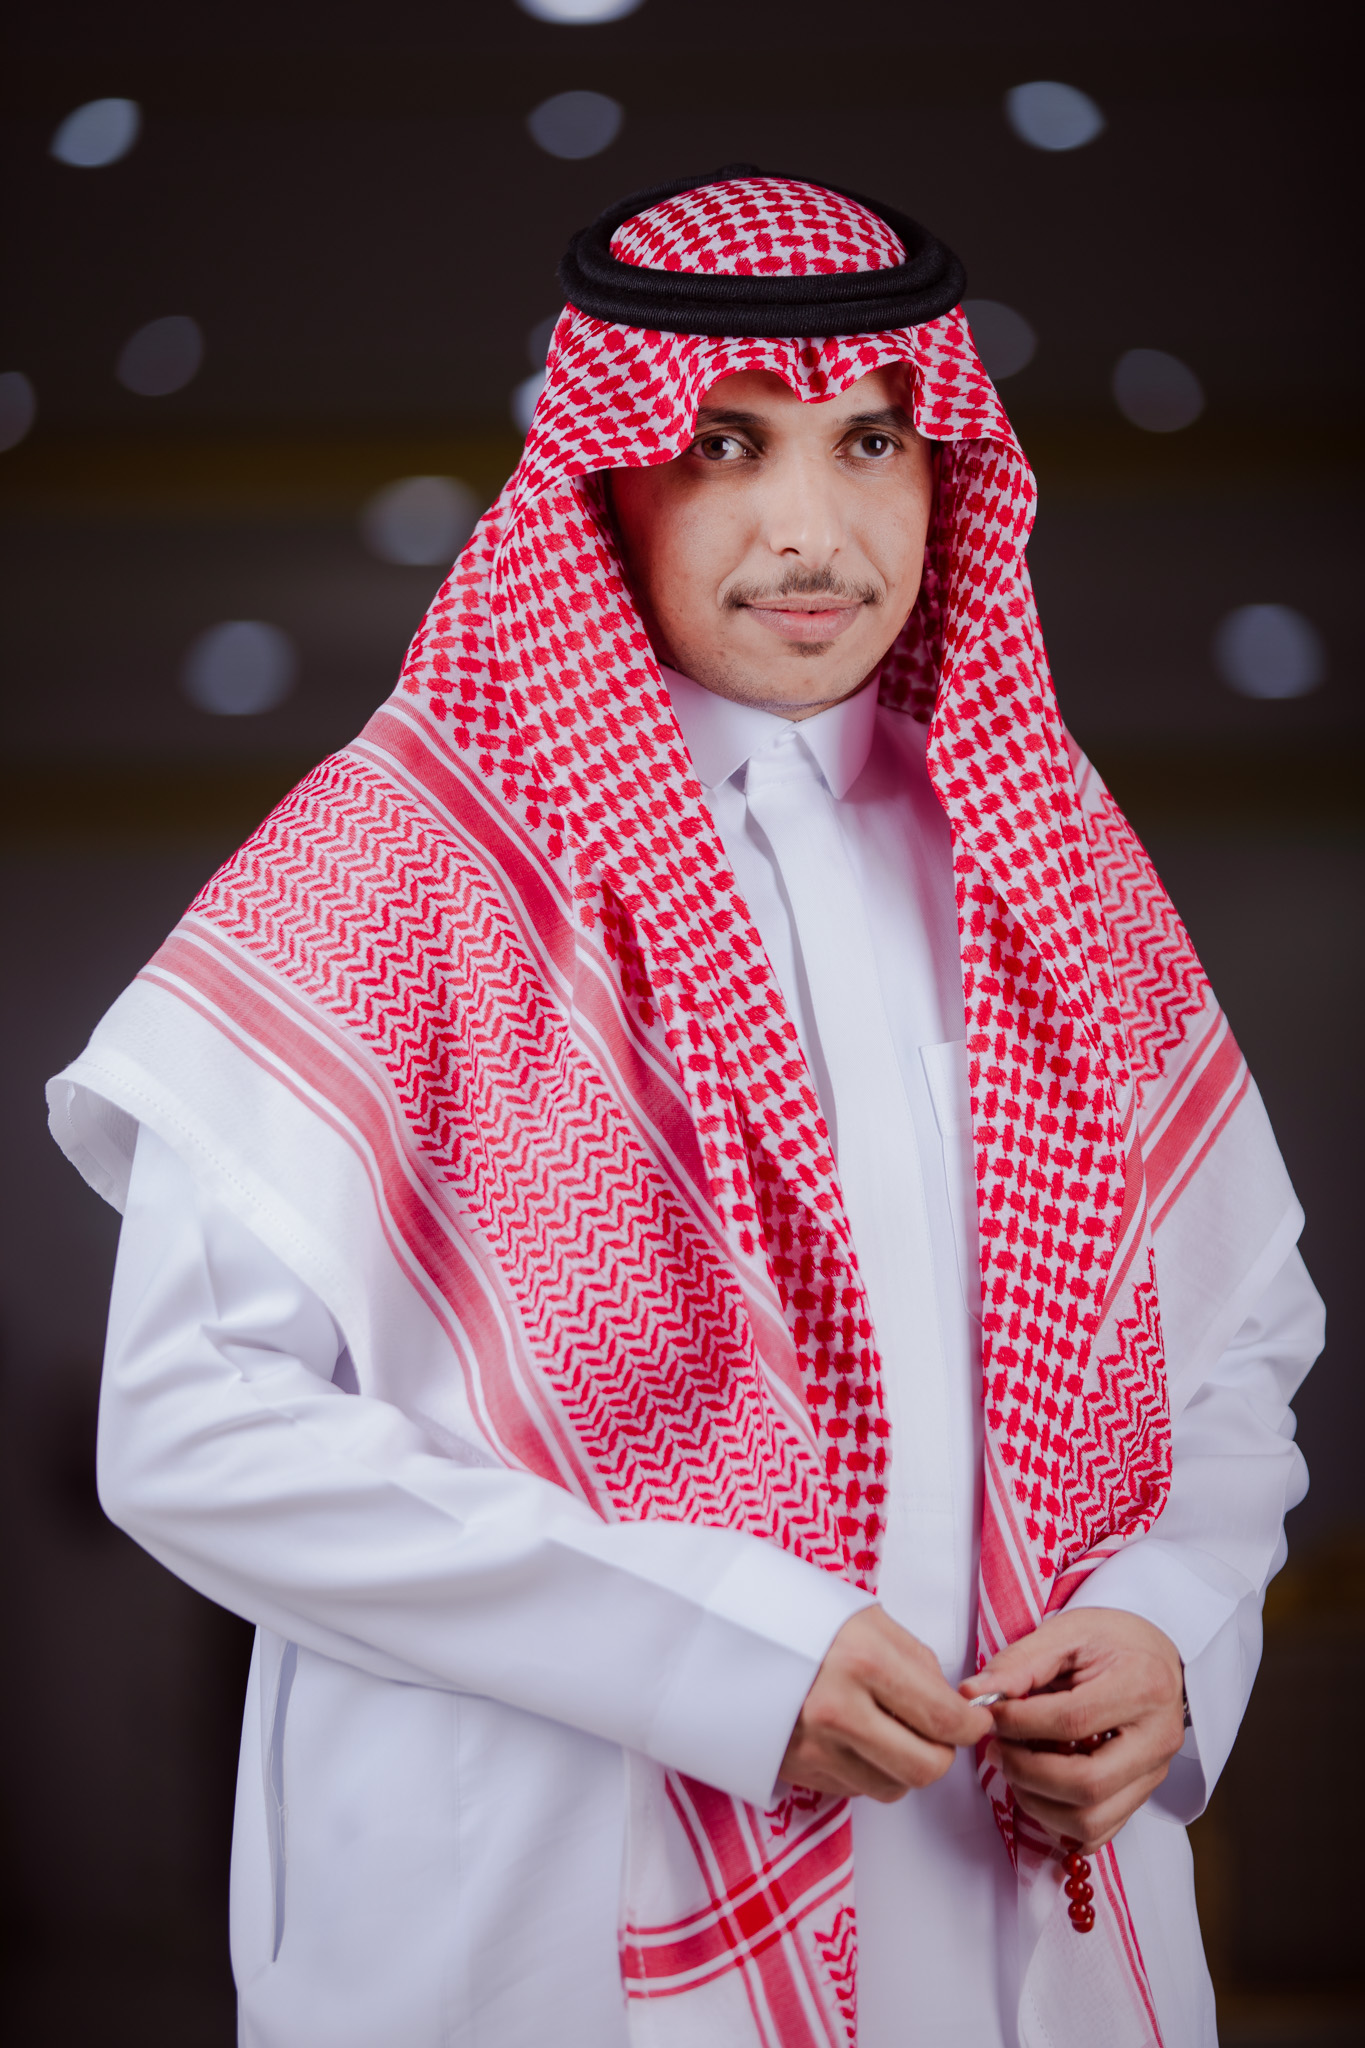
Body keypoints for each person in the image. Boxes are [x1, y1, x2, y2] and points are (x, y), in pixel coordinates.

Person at [49, 170, 1321, 2048]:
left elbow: (1229, 1346)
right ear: (606, 477)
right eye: (725, 444)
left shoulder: (1052, 858)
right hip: (549, 1903)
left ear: (944, 471)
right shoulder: (396, 863)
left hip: (1007, 1904)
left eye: (869, 442)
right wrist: (723, 1659)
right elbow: (192, 1426)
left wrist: (1169, 1625)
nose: (810, 529)